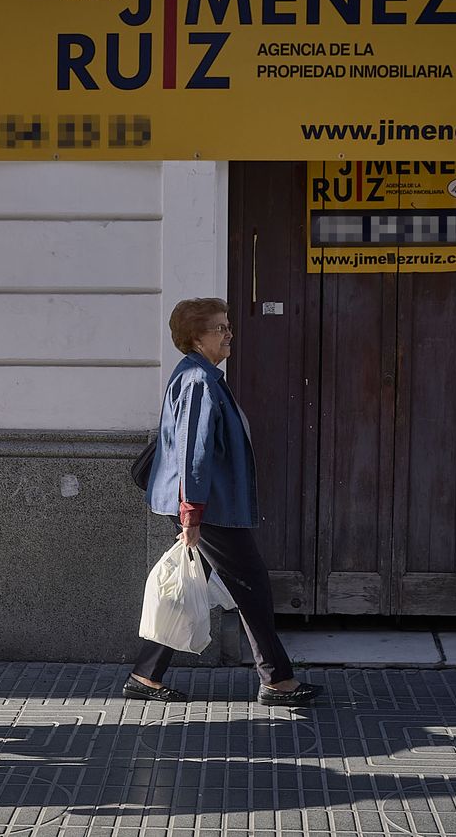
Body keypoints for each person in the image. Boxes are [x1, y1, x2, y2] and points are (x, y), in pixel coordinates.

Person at [127, 298, 324, 707]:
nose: (229, 333)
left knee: (194, 584)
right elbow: (192, 454)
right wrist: (192, 514)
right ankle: (277, 681)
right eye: (220, 328)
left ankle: (146, 676)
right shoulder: (199, 380)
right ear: (196, 336)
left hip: (206, 505)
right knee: (251, 585)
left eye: (228, 325)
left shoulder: (202, 376)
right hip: (209, 506)